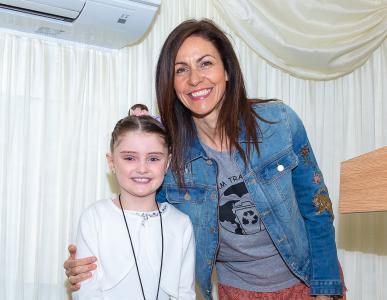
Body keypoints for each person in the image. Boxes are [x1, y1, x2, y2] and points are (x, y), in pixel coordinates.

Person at [64, 19, 345, 300]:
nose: (194, 79)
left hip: (309, 280)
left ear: (227, 71)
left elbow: (317, 209)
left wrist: (324, 290)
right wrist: (89, 264)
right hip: (236, 292)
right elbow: (144, 223)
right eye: (181, 70)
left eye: (206, 63)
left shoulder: (279, 124)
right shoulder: (172, 159)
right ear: (171, 83)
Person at [72, 115, 195, 299]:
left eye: (153, 159)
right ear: (112, 162)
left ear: (167, 163)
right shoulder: (94, 218)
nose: (142, 168)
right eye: (130, 158)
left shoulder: (181, 224)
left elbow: (185, 292)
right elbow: (86, 291)